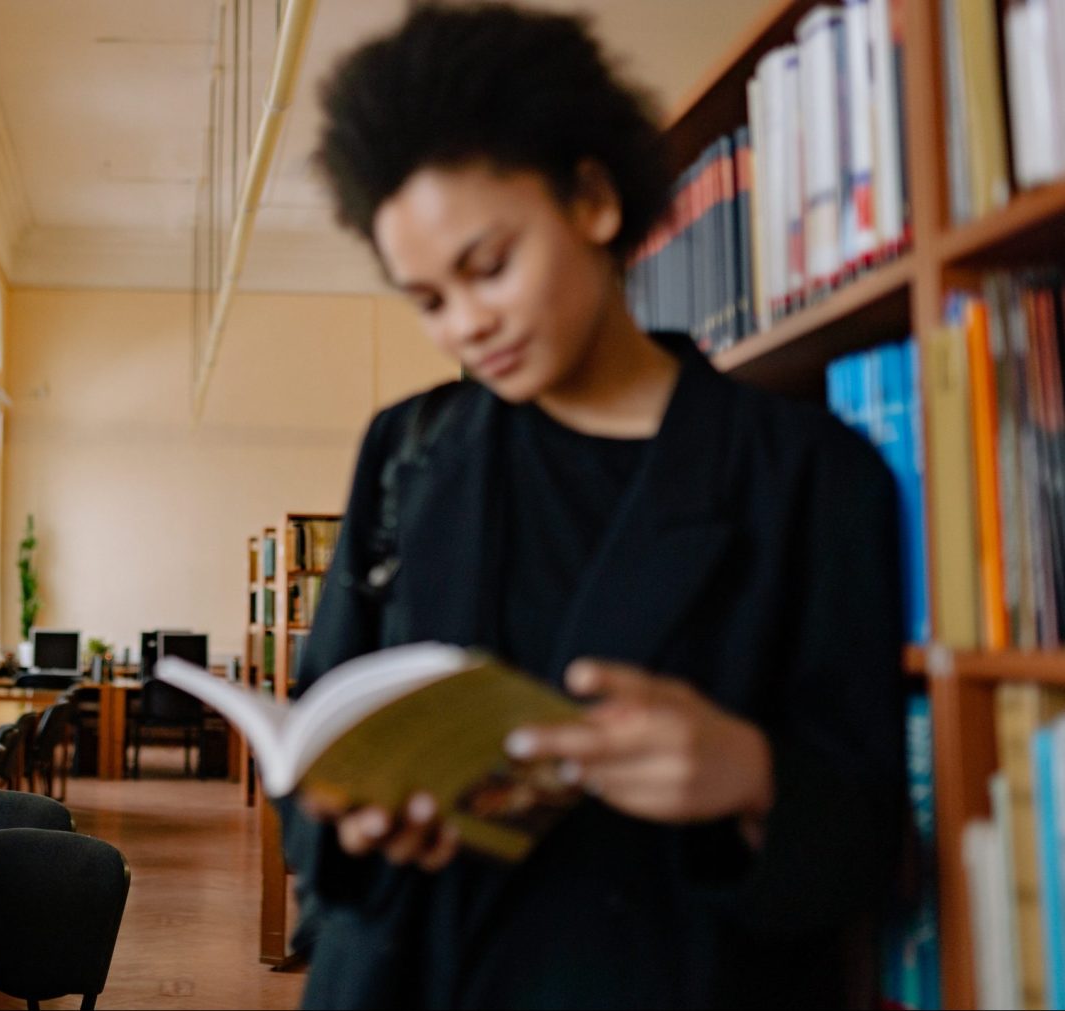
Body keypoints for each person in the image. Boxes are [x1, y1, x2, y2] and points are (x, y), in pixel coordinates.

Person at [282, 5, 907, 1008]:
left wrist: (753, 779)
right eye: (430, 300)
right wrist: (348, 819)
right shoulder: (408, 453)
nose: (468, 325)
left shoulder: (813, 474)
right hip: (412, 977)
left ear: (593, 198)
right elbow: (315, 746)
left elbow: (873, 841)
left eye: (488, 267)